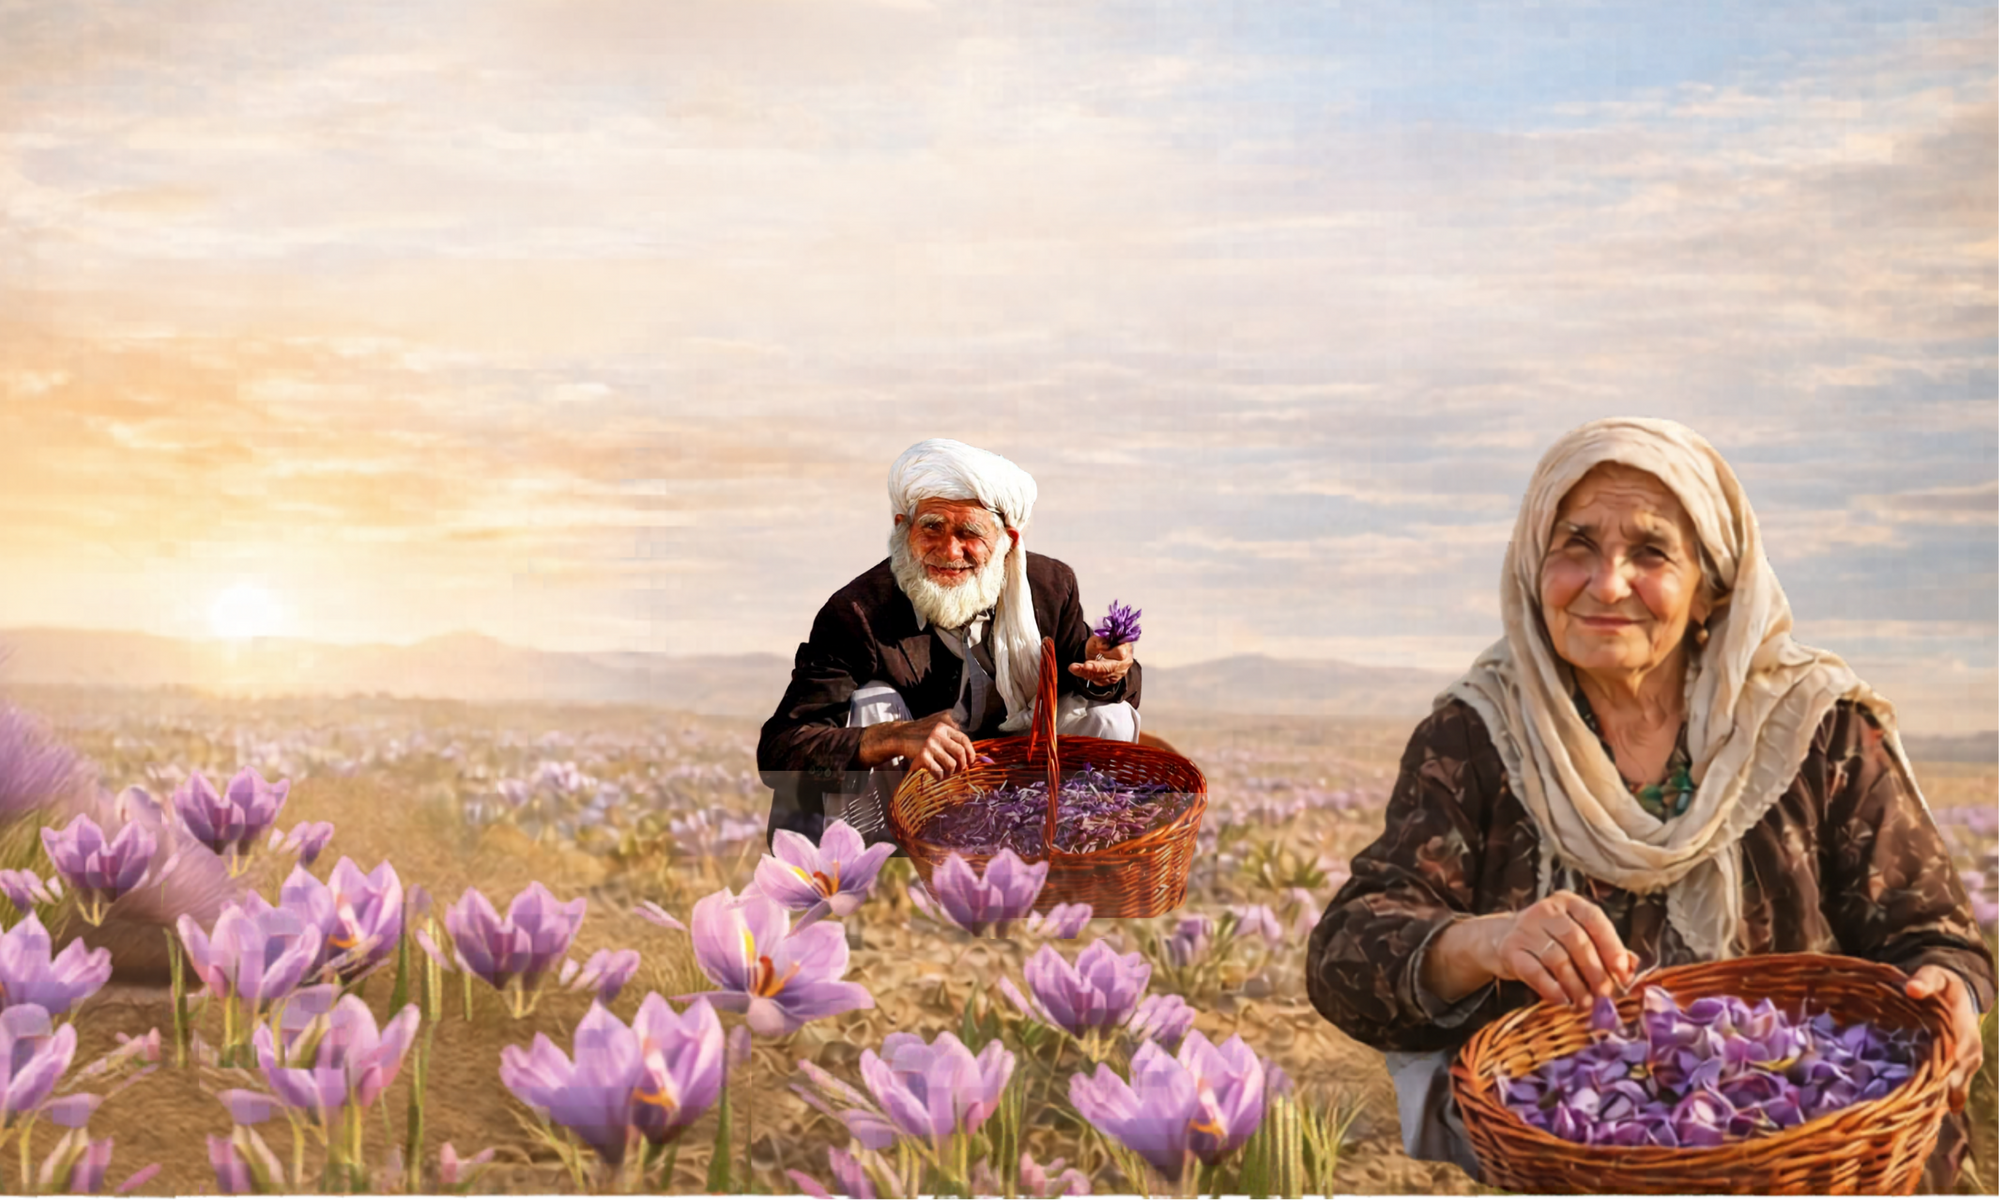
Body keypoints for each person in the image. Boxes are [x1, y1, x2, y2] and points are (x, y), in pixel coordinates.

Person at [1304, 417, 1993, 1192]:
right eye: (1576, 545)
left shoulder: (1816, 731)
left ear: (1712, 587)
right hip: (1579, 1166)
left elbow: (1935, 937)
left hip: (1816, 1162)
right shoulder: (1478, 736)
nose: (1607, 584)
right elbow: (1344, 956)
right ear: (1535, 566)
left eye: (1652, 552)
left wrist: (1950, 991)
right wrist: (1486, 942)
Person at [758, 438, 1142, 851]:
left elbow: (1110, 682)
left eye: (969, 533)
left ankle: (1074, 845)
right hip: (914, 784)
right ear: (903, 528)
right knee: (871, 701)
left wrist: (1106, 670)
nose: (948, 550)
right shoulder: (857, 613)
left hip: (1018, 777)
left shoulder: (1049, 588)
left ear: (1008, 541)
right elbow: (781, 746)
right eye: (932, 528)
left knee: (1110, 717)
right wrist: (891, 736)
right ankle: (882, 856)